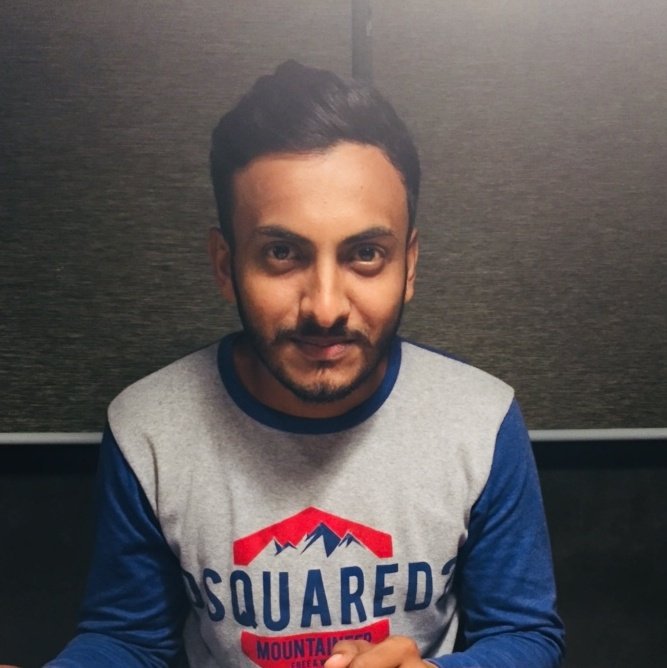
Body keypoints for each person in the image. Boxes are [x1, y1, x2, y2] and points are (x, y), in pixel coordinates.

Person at [48, 60, 564, 667]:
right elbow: (128, 639)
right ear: (225, 265)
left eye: (365, 253)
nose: (325, 307)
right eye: (282, 253)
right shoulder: (149, 429)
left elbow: (524, 635)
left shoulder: (480, 420)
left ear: (410, 265)